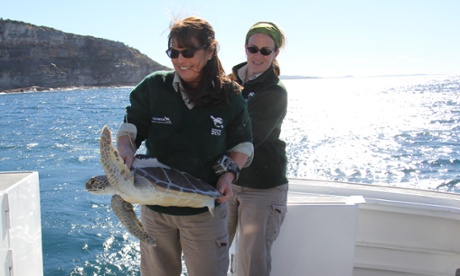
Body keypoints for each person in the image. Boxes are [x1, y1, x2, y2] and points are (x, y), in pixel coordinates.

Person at [115, 16, 253, 276]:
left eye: (187, 51)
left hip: (204, 210)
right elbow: (129, 131)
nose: (180, 59)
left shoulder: (230, 95)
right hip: (155, 209)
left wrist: (229, 174)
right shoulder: (154, 87)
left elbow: (243, 143)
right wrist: (125, 151)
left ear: (210, 50)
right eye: (173, 52)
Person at [227, 21, 288, 276]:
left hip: (262, 188)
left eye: (266, 50)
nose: (258, 55)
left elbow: (251, 136)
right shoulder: (227, 83)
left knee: (251, 263)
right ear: (245, 49)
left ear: (275, 54)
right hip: (226, 183)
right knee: (210, 252)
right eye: (254, 48)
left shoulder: (275, 92)